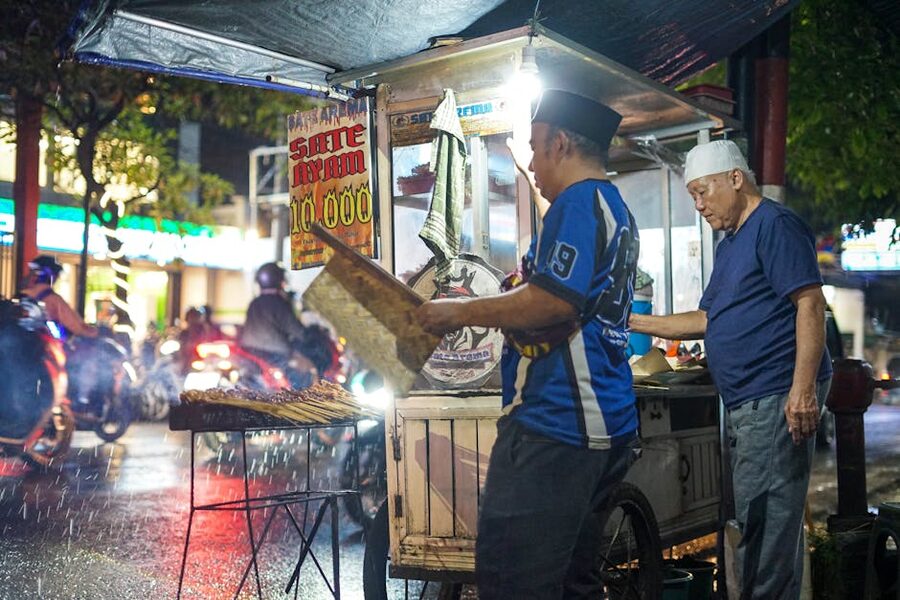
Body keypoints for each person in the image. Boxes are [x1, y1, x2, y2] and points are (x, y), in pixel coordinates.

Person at [417, 89, 641, 599]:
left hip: (556, 425)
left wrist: (458, 313)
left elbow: (553, 302)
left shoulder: (578, 204)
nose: (534, 164)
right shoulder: (615, 208)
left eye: (537, 148)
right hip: (605, 424)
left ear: (561, 143)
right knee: (572, 583)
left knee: (512, 581)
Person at [629, 139, 832, 599]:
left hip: (774, 394)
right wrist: (632, 319)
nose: (698, 204)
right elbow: (707, 318)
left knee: (768, 524)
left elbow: (810, 304)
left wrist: (801, 391)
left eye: (703, 192)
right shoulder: (731, 243)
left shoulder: (774, 226)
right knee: (756, 525)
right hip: (747, 401)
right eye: (692, 195)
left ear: (735, 179)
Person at [239, 262, 315, 388]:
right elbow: (297, 331)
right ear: (279, 279)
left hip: (250, 351)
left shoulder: (254, 303)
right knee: (303, 377)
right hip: (275, 354)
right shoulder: (279, 303)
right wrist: (310, 335)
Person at [19, 255, 98, 339]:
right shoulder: (53, 299)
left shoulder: (20, 297)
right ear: (50, 275)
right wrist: (94, 333)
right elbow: (75, 326)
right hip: (44, 347)